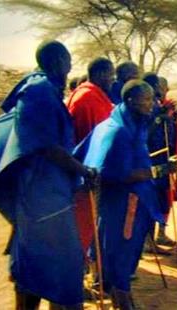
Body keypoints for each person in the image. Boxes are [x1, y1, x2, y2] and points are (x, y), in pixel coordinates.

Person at [0, 40, 96, 309]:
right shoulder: (38, 91)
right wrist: (82, 169)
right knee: (45, 259)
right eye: (68, 62)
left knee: (46, 259)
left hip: (49, 190)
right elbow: (47, 146)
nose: (70, 67)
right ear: (57, 62)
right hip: (39, 192)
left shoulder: (44, 89)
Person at [76, 80, 162, 309]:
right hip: (125, 206)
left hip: (127, 203)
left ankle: (123, 299)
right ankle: (122, 303)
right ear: (130, 100)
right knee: (121, 257)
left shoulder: (125, 125)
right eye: (147, 99)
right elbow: (113, 173)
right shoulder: (117, 131)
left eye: (152, 98)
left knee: (121, 255)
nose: (151, 104)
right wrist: (158, 170)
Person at [66, 57, 115, 257]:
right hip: (87, 172)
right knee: (85, 223)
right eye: (111, 75)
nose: (113, 79)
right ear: (101, 74)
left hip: (93, 171)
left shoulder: (96, 96)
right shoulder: (87, 99)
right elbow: (89, 139)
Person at [142, 73, 177, 249]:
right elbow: (143, 135)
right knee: (151, 199)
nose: (163, 90)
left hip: (165, 157)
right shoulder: (147, 108)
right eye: (160, 86)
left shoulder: (161, 106)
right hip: (151, 158)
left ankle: (160, 235)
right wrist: (158, 119)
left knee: (162, 198)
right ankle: (148, 240)